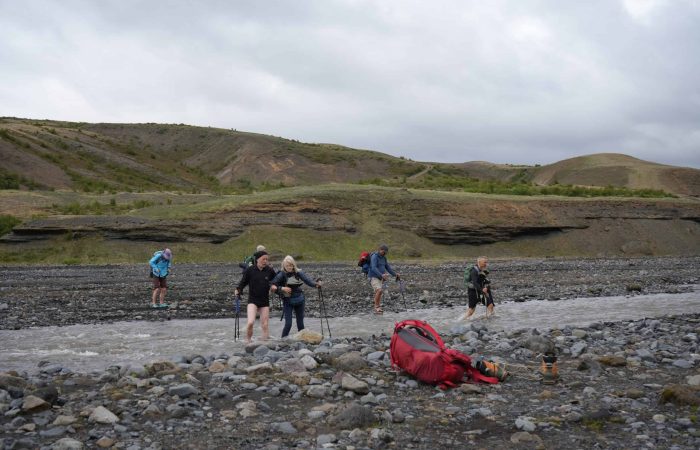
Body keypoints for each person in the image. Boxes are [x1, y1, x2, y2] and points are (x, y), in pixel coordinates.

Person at [270, 255, 321, 338]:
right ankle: (282, 341)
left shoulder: (298, 272)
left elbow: (307, 280)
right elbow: (272, 285)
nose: (289, 267)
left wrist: (316, 285)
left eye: (291, 265)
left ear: (294, 265)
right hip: (287, 301)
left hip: (300, 300)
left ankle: (302, 342)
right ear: (284, 265)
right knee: (288, 324)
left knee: (300, 324)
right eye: (287, 266)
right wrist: (282, 288)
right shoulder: (281, 274)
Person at [234, 250, 277, 343]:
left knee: (265, 324)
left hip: (264, 301)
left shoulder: (269, 270)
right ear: (257, 259)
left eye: (267, 259)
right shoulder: (250, 270)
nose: (265, 261)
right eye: (263, 259)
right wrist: (238, 290)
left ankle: (264, 344)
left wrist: (274, 286)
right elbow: (242, 283)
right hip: (252, 300)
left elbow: (277, 279)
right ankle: (248, 342)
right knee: (250, 322)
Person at [368, 244, 399, 315]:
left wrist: (395, 274)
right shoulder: (374, 256)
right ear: (380, 250)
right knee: (379, 290)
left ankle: (377, 307)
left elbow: (388, 268)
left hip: (381, 277)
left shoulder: (384, 258)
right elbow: (373, 267)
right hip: (373, 276)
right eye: (383, 251)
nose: (384, 253)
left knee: (379, 291)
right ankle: (376, 307)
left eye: (386, 252)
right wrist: (381, 275)